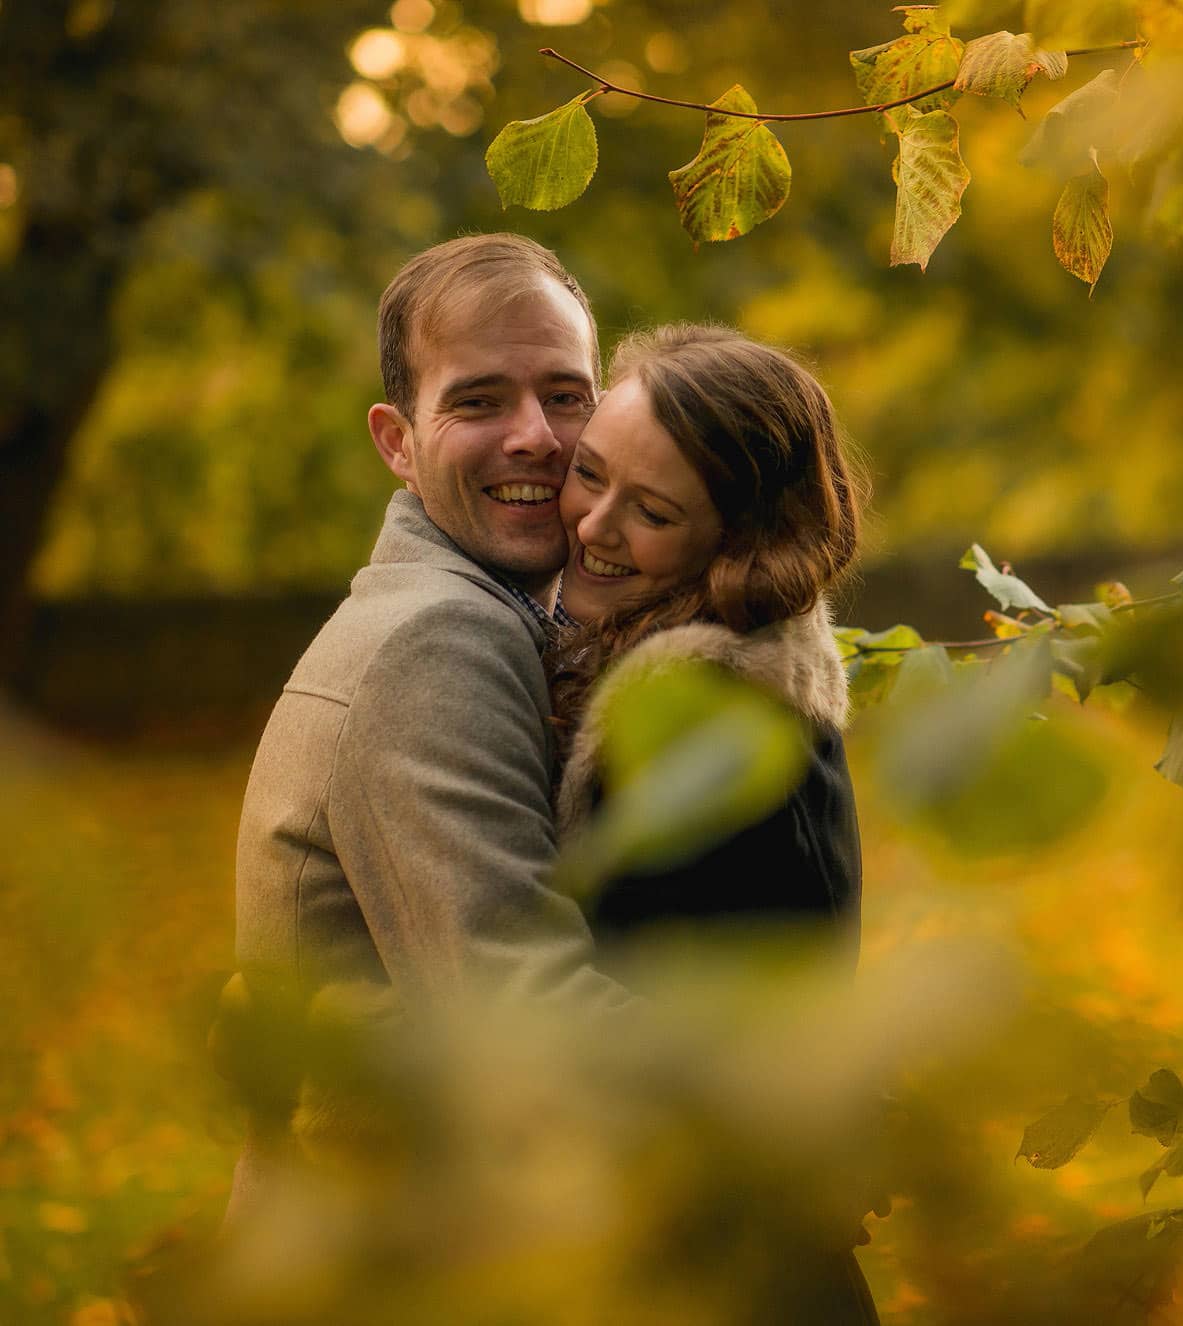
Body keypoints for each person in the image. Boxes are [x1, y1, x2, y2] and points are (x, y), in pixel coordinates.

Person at [227, 233, 639, 1218]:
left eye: (566, 394)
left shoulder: (480, 614)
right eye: (478, 400)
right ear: (396, 441)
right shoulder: (437, 640)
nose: (536, 435)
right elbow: (524, 1024)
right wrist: (799, 1107)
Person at [540, 322, 875, 1321]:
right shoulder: (690, 670)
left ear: (736, 542)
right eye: (587, 474)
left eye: (648, 511)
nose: (594, 525)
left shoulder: (706, 735)